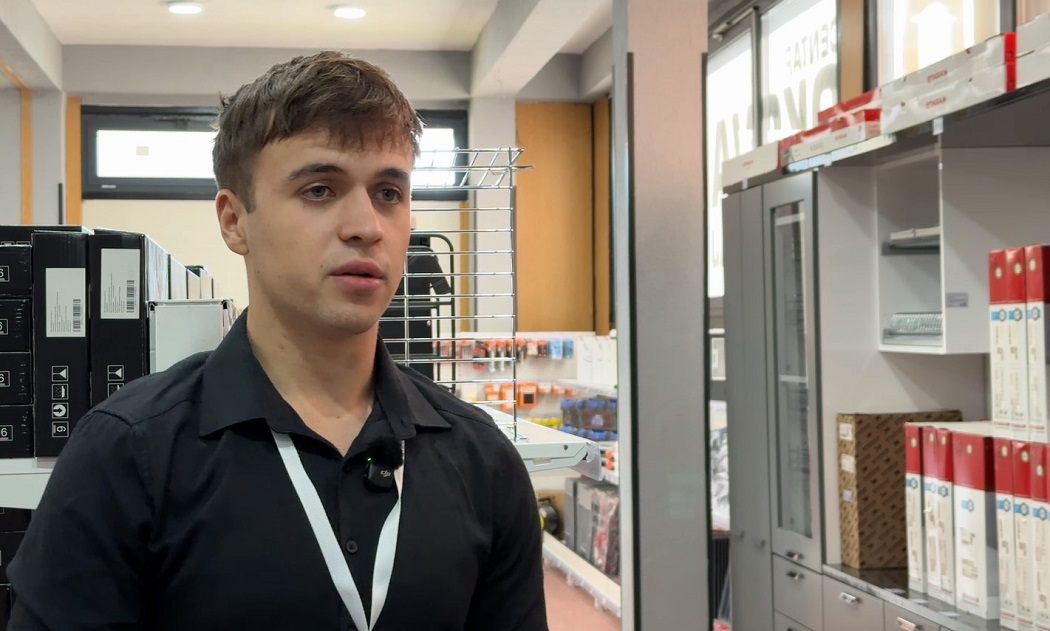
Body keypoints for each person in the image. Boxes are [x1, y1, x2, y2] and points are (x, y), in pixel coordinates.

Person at [7, 51, 548, 630]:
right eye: (319, 189)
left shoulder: (482, 460)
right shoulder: (126, 454)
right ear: (234, 221)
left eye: (389, 193)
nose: (367, 226)